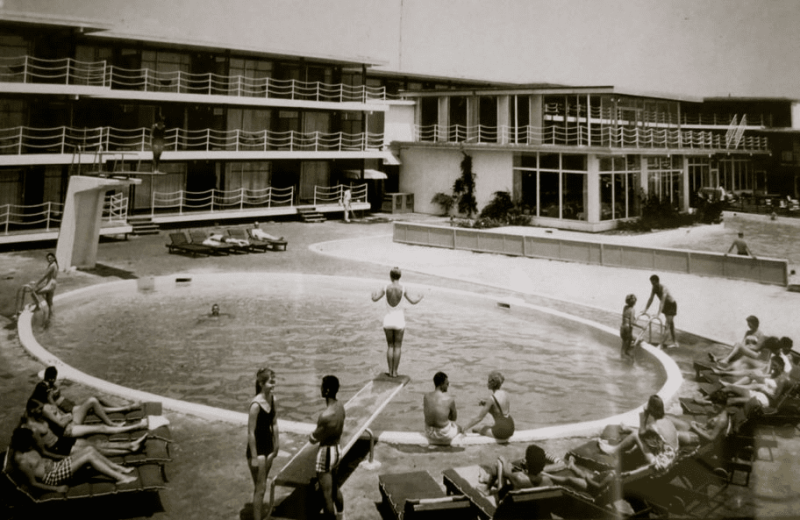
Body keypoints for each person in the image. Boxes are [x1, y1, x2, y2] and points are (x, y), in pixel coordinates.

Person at [9, 427, 137, 494]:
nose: (33, 445)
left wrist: (62, 459)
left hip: (55, 467)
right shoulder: (21, 461)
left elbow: (42, 458)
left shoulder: (26, 449)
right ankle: (121, 478)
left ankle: (118, 468)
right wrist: (56, 489)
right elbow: (33, 483)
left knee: (89, 449)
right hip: (53, 477)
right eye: (29, 443)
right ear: (22, 443)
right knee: (89, 457)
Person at [22, 401, 147, 458]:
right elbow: (43, 452)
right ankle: (130, 450)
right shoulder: (32, 429)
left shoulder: (38, 419)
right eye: (39, 410)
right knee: (94, 449)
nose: (42, 412)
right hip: (59, 449)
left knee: (97, 444)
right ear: (32, 411)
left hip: (62, 441)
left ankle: (131, 444)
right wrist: (61, 458)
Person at [479, 444, 614, 495]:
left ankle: (487, 490)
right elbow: (567, 479)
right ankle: (492, 485)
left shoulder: (519, 477)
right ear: (542, 465)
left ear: (527, 462)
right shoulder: (548, 481)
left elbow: (506, 468)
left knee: (499, 464)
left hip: (514, 504)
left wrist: (503, 459)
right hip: (531, 505)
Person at [598, 395, 679, 476]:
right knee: (641, 436)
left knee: (635, 435)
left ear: (651, 409)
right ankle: (620, 442)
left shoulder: (653, 425)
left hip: (660, 464)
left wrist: (645, 413)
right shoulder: (668, 421)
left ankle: (613, 451)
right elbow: (648, 434)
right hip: (673, 457)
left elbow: (640, 433)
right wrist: (628, 428)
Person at [371, 267, 424, 377]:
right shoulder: (403, 289)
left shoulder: (386, 288)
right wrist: (419, 297)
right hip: (399, 321)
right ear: (400, 277)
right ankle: (395, 372)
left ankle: (390, 371)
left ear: (390, 276)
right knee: (398, 347)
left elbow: (375, 299)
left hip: (388, 320)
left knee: (390, 346)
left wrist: (373, 294)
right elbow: (413, 301)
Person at [308, 375, 345, 520]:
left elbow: (313, 438)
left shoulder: (325, 416)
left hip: (326, 453)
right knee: (335, 488)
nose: (320, 388)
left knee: (326, 496)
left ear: (327, 390)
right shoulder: (341, 407)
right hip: (337, 450)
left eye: (322, 386)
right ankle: (341, 517)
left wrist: (312, 435)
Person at [247, 367, 280, 520]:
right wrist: (254, 457)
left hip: (268, 448)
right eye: (271, 382)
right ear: (261, 383)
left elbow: (274, 423)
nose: (274, 384)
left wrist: (276, 444)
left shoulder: (272, 399)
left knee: (262, 486)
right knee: (260, 489)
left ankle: (259, 514)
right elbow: (251, 433)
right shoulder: (255, 405)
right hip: (258, 450)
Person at [460, 371, 515, 441]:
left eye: (488, 381)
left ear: (492, 384)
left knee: (475, 429)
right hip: (511, 427)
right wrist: (486, 404)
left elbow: (479, 418)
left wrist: (465, 427)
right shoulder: (505, 394)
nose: (487, 383)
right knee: (492, 424)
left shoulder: (491, 398)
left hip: (502, 431)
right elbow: (499, 411)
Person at [719, 355, 791, 408]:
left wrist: (763, 389)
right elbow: (762, 379)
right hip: (758, 393)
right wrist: (755, 376)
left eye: (775, 366)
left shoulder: (782, 379)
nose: (772, 367)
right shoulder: (773, 374)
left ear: (781, 366)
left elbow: (775, 398)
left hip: (766, 399)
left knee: (734, 399)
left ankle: (730, 386)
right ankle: (724, 388)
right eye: (772, 365)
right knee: (733, 387)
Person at [14, 252, 58, 324]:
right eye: (48, 258)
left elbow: (44, 276)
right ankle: (51, 319)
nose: (49, 259)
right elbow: (50, 277)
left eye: (51, 258)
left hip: (50, 285)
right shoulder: (55, 265)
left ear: (54, 258)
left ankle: (38, 306)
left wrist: (36, 284)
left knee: (34, 292)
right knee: (50, 303)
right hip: (52, 285)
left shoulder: (52, 266)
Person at [641, 274, 678, 349]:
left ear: (657, 282)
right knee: (671, 324)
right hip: (666, 306)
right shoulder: (654, 288)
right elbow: (651, 299)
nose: (653, 285)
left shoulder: (664, 289)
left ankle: (661, 345)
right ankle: (675, 342)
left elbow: (662, 302)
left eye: (654, 283)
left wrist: (658, 314)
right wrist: (645, 309)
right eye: (652, 283)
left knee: (667, 325)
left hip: (671, 305)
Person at [423, 371, 461, 445]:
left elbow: (428, 413)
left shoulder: (426, 397)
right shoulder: (449, 399)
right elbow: (453, 418)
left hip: (428, 432)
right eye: (447, 384)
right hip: (443, 434)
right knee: (459, 427)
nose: (448, 386)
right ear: (441, 384)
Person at [620, 294, 638, 361]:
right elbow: (632, 323)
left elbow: (626, 318)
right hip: (628, 330)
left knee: (623, 348)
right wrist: (642, 327)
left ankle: (623, 360)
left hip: (622, 329)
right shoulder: (632, 310)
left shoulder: (625, 307)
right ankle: (626, 363)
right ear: (635, 302)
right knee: (626, 351)